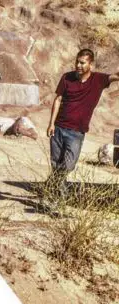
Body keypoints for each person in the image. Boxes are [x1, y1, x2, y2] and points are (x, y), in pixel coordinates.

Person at [46, 48, 119, 201]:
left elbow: (116, 77)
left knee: (68, 165)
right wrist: (51, 124)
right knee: (56, 163)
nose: (78, 65)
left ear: (90, 64)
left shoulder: (99, 80)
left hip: (76, 132)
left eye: (82, 63)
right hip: (58, 127)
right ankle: (57, 197)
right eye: (77, 62)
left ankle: (53, 187)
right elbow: (58, 99)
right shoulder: (67, 78)